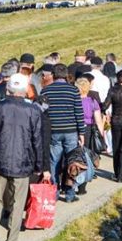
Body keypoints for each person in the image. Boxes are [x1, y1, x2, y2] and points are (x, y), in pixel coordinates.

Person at [0, 74, 45, 241]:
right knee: (17, 204)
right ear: (25, 90)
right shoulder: (33, 110)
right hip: (22, 163)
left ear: (7, 89)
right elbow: (37, 141)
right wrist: (39, 165)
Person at [41, 64, 85, 203]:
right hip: (71, 130)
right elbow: (79, 112)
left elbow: (43, 112)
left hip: (53, 131)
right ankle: (70, 193)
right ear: (66, 75)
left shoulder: (45, 91)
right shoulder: (73, 91)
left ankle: (53, 192)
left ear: (53, 75)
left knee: (54, 161)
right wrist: (81, 132)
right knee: (72, 162)